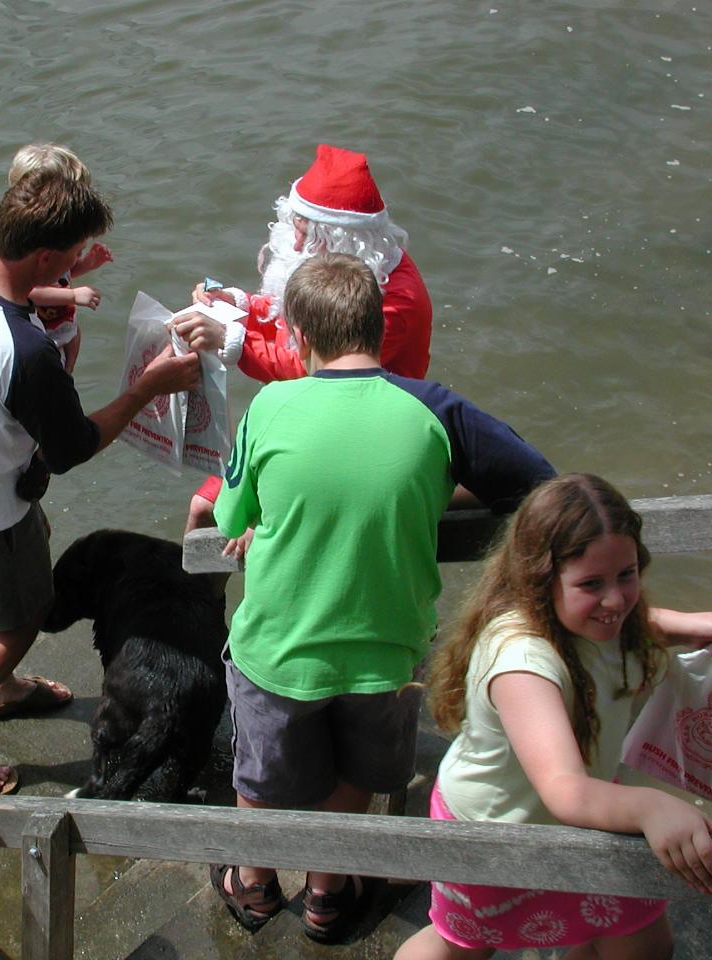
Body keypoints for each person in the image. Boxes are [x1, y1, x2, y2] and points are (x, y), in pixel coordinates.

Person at [209, 253, 554, 943]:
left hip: (280, 650)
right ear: (375, 326)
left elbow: (227, 517)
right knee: (357, 771)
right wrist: (427, 490)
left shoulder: (273, 404)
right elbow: (538, 486)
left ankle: (253, 883)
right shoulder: (431, 416)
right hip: (388, 652)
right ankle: (328, 896)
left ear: (301, 335)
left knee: (261, 773)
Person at [0, 169, 200, 793]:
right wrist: (145, 389)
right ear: (42, 257)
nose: (71, 276)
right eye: (66, 265)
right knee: (18, 616)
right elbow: (72, 449)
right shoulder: (25, 353)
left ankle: (1, 687)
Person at [395, 473, 712, 960]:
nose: (615, 600)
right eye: (591, 583)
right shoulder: (522, 662)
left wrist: (691, 628)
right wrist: (653, 807)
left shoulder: (590, 616)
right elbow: (567, 790)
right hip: (495, 832)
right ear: (541, 581)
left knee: (642, 943)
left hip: (580, 823)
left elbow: (623, 620)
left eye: (626, 575)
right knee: (462, 945)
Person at [174, 142, 434, 534]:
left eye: (305, 236)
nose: (295, 246)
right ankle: (205, 594)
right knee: (203, 509)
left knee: (208, 510)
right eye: (294, 230)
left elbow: (312, 368)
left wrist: (232, 338)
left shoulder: (392, 302)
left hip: (360, 432)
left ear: (344, 240)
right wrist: (240, 304)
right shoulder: (354, 271)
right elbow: (291, 317)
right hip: (316, 411)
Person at [7, 143, 114, 373]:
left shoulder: (60, 247)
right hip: (42, 329)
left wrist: (86, 264)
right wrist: (73, 295)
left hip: (62, 321)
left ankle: (67, 373)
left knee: (74, 337)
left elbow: (62, 273)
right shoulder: (28, 248)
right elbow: (29, 291)